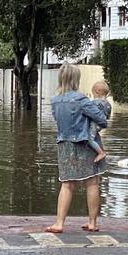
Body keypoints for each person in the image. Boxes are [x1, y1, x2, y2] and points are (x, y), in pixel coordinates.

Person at [45, 64, 108, 233]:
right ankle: (93, 223)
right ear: (76, 79)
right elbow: (101, 119)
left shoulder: (54, 100)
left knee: (66, 185)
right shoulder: (81, 100)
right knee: (92, 182)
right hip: (85, 145)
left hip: (64, 144)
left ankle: (59, 223)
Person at [88, 80, 113, 164]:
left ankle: (101, 153)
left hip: (94, 124)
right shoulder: (108, 104)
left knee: (90, 139)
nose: (93, 96)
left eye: (93, 94)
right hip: (101, 125)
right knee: (94, 135)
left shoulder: (93, 103)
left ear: (97, 92)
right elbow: (108, 116)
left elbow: (89, 113)